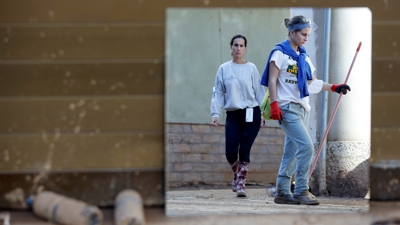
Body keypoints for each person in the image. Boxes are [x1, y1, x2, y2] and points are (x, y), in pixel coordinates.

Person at [260, 15, 351, 205]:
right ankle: (301, 189)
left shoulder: (304, 57)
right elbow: (272, 80)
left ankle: (283, 192)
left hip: (303, 109)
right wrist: (275, 104)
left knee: (291, 152)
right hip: (286, 108)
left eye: (308, 35)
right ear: (292, 32)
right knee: (307, 147)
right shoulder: (280, 53)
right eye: (303, 34)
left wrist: (334, 87)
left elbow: (312, 82)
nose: (306, 39)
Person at [211, 34, 267, 197]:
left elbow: (259, 92)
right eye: (236, 45)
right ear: (231, 47)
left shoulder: (251, 68)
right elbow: (218, 92)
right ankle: (236, 173)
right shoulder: (224, 69)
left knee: (245, 149)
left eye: (242, 46)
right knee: (230, 152)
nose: (238, 48)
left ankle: (241, 183)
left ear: (245, 48)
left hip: (252, 112)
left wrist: (263, 113)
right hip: (233, 114)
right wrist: (215, 113)